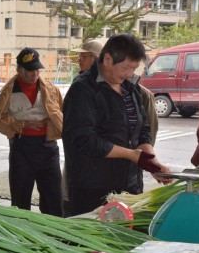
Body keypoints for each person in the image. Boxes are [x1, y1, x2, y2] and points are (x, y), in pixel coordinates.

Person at [63, 33, 171, 217]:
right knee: (95, 243)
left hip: (130, 187)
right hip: (92, 189)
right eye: (126, 67)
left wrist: (151, 163)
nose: (130, 73)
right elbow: (84, 139)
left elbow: (143, 130)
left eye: (135, 68)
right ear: (107, 59)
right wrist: (131, 155)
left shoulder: (131, 88)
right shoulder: (83, 89)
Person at [0, 48, 64, 216]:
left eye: (37, 70)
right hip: (21, 147)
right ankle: (23, 235)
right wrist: (21, 125)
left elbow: (62, 114)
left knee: (53, 197)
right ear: (19, 70)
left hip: (48, 148)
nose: (35, 74)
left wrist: (52, 122)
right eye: (30, 71)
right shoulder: (7, 92)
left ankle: (56, 235)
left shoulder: (51, 90)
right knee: (20, 198)